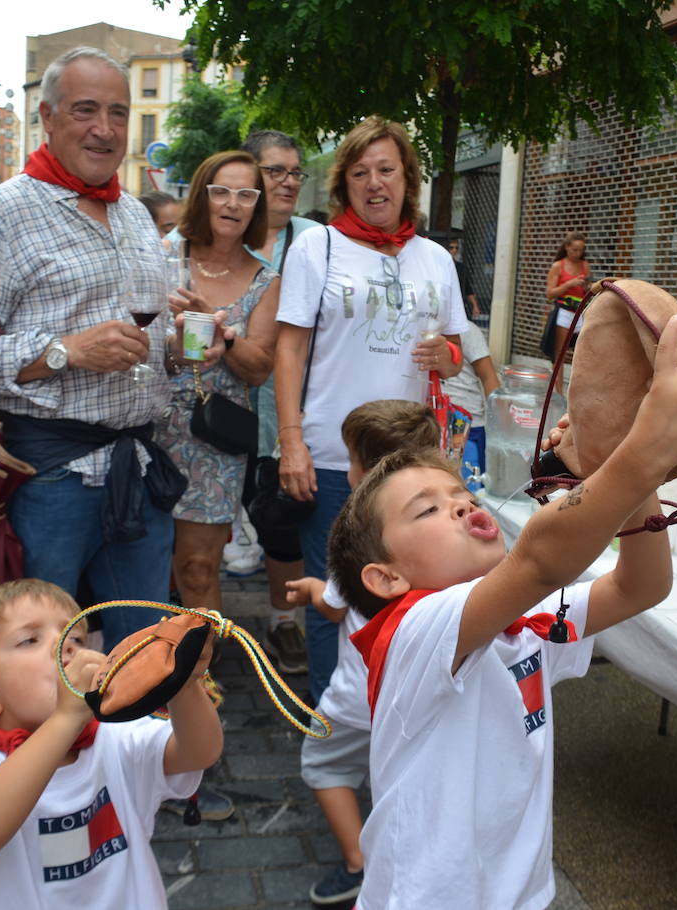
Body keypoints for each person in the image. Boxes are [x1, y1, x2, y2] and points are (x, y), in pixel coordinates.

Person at [325, 316, 677, 908]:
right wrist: (641, 451)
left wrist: (631, 473)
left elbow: (642, 587)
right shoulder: (412, 630)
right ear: (387, 577)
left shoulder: (524, 627)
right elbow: (540, 558)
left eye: (461, 495)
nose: (458, 507)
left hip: (519, 893)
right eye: (427, 511)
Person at [0, 47, 196, 656]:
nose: (104, 128)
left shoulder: (134, 215)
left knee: (143, 656)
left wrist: (179, 349)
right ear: (47, 117)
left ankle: (129, 749)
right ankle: (54, 752)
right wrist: (62, 352)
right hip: (51, 478)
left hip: (139, 468)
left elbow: (144, 339)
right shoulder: (3, 213)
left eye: (118, 112)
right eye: (85, 110)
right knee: (46, 664)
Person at [274, 115, 467, 704]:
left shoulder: (434, 257)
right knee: (334, 598)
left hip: (412, 460)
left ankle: (392, 710)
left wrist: (449, 354)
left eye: (386, 170)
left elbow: (455, 353)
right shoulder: (318, 245)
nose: (375, 183)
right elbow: (291, 345)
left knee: (407, 587)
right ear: (345, 183)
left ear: (407, 179)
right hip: (334, 456)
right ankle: (332, 721)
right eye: (360, 173)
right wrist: (292, 441)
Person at [0, 578, 222, 908]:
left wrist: (182, 684)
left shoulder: (113, 735)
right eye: (29, 640)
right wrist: (65, 719)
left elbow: (199, 752)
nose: (65, 645)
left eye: (77, 637)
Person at [288, 399, 439, 906]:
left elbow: (335, 607)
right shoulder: (438, 543)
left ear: (368, 473)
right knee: (398, 785)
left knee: (323, 766)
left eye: (351, 459)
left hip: (355, 702)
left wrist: (312, 589)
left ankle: (360, 863)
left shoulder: (360, 538)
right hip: (416, 707)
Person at [154, 149, 279, 631]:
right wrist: (177, 345)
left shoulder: (265, 279)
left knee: (199, 567)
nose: (233, 203)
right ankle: (145, 672)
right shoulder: (164, 255)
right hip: (148, 425)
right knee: (150, 563)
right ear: (202, 194)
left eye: (246, 194)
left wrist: (221, 334)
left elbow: (260, 370)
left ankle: (197, 678)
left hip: (213, 439)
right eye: (221, 191)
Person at [235, 129, 319, 675]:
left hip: (294, 408)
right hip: (223, 407)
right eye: (275, 171)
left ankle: (283, 619)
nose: (288, 182)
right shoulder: (224, 235)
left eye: (295, 172)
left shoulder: (316, 239)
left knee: (283, 519)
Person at [441, 318, 501, 492]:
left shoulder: (466, 329)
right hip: (431, 424)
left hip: (468, 425)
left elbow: (489, 378)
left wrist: (500, 428)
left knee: (470, 489)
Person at [542, 231, 589, 371]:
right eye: (575, 249)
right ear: (567, 247)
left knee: (582, 353)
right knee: (560, 354)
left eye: (581, 250)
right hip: (564, 311)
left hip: (581, 311)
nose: (578, 253)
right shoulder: (558, 266)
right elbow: (549, 294)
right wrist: (569, 284)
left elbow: (586, 289)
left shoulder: (585, 265)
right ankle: (558, 391)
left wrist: (588, 287)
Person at [447, 236, 482, 319]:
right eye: (451, 248)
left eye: (456, 248)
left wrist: (475, 305)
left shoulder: (461, 267)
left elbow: (467, 288)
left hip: (457, 305)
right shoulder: (440, 266)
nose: (454, 250)